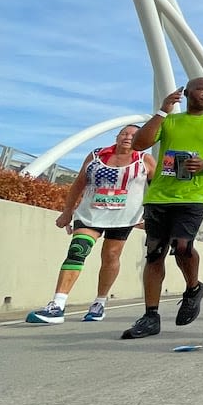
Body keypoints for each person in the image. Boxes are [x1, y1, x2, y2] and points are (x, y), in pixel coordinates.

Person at [122, 78, 203, 339]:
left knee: (183, 246)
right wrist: (163, 111)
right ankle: (150, 315)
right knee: (154, 254)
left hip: (193, 197)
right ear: (186, 93)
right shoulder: (170, 120)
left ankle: (193, 288)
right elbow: (139, 144)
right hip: (159, 197)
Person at [27, 125, 155, 324]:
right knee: (78, 249)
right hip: (90, 214)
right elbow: (79, 182)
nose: (128, 137)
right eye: (124, 133)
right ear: (117, 136)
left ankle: (99, 302)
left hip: (123, 218)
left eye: (133, 134)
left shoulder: (144, 159)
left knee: (111, 256)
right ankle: (57, 304)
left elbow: (156, 188)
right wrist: (67, 211)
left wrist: (153, 216)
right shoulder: (97, 155)